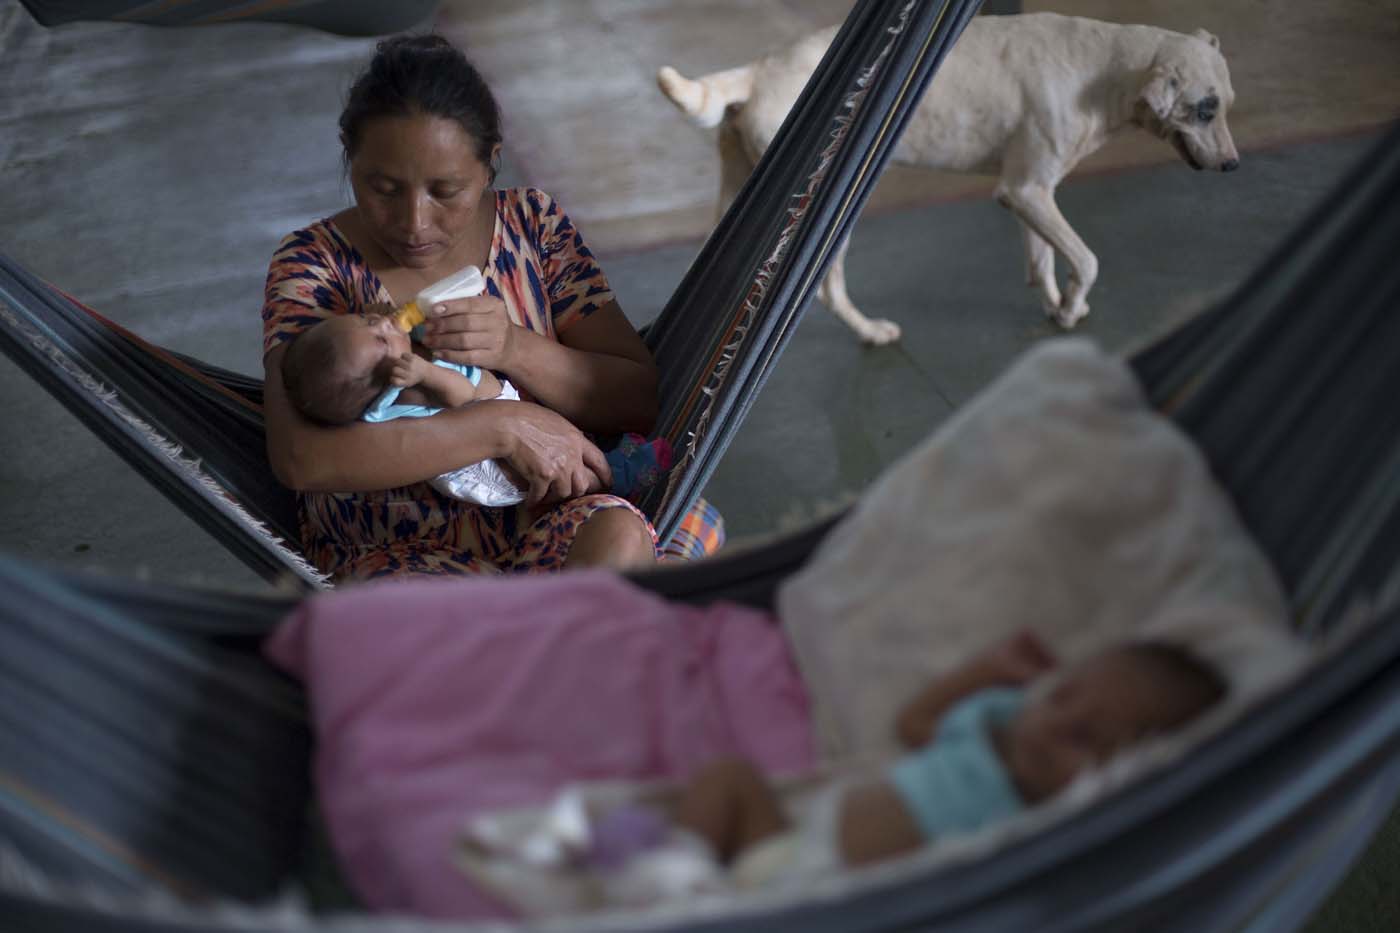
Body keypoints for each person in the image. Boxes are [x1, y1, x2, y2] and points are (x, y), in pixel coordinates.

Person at [261, 33, 689, 581]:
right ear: (349, 154)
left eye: (447, 191)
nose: (415, 223)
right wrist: (499, 425)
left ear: (490, 165)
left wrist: (515, 347)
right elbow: (303, 459)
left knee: (620, 535)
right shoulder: (314, 263)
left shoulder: (535, 227)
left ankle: (541, 650)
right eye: (383, 188)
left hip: (546, 530)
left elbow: (637, 401)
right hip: (393, 555)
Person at [669, 629, 1227, 886]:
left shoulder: (1045, 826)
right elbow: (913, 725)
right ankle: (671, 874)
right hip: (789, 853)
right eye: (1060, 695)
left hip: (842, 909)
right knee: (728, 777)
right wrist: (986, 670)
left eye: (1083, 736)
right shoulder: (994, 724)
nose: (1054, 722)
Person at [278, 312, 674, 506]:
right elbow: (459, 396)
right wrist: (427, 372)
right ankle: (624, 476)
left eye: (368, 320)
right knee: (569, 478)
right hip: (486, 467)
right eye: (381, 340)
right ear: (379, 382)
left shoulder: (375, 400)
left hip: (487, 459)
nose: (384, 323)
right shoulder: (409, 387)